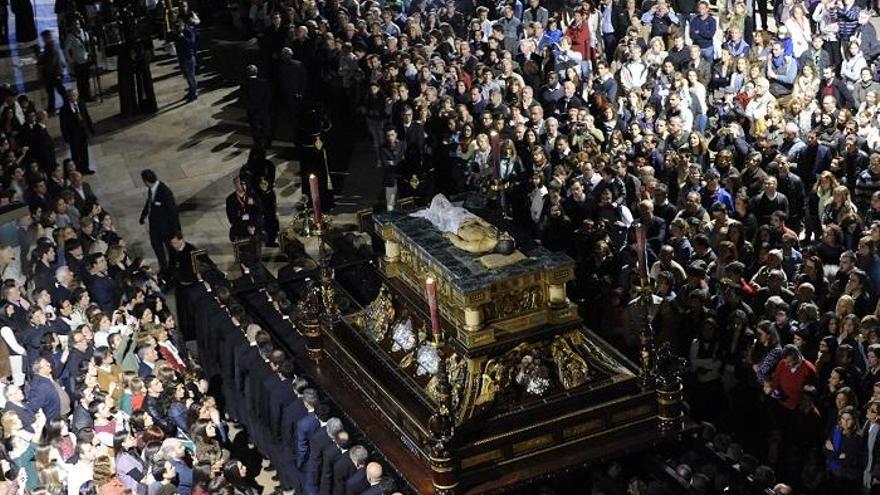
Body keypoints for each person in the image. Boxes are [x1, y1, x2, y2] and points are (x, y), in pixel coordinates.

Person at [138, 170, 181, 278]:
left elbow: (173, 212)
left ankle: (172, 271)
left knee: (170, 249)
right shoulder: (152, 189)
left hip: (166, 228)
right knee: (157, 248)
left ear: (145, 181)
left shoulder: (165, 192)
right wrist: (144, 215)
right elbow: (150, 202)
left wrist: (177, 231)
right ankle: (164, 269)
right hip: (155, 227)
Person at [59, 89, 95, 175]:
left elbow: (86, 116)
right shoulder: (64, 109)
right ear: (68, 97)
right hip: (73, 134)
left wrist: (91, 129)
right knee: (75, 153)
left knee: (84, 152)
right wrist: (66, 137)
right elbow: (63, 125)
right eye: (71, 95)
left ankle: (86, 168)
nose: (73, 97)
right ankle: (77, 170)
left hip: (83, 132)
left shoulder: (81, 103)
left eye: (74, 95)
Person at [63, 19, 93, 101]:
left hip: (86, 60)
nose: (76, 26)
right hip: (78, 62)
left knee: (86, 80)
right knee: (80, 81)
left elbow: (88, 45)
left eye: (77, 23)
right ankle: (82, 97)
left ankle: (88, 96)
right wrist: (71, 61)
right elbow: (66, 50)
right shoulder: (70, 36)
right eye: (74, 24)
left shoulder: (84, 33)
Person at [173, 20, 198, 102]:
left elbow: (190, 44)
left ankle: (194, 93)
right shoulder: (176, 34)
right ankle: (191, 91)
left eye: (179, 27)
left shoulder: (189, 32)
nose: (178, 29)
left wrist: (182, 37)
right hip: (181, 58)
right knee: (186, 76)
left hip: (189, 57)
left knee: (191, 76)